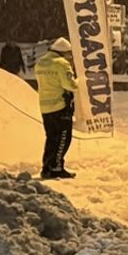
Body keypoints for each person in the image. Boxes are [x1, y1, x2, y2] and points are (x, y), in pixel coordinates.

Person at [35, 38, 77, 179]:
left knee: (51, 138)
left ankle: (47, 167)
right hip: (60, 106)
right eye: (69, 54)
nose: (70, 57)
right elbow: (70, 85)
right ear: (63, 52)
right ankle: (56, 168)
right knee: (63, 139)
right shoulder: (62, 64)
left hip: (45, 106)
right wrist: (80, 81)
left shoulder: (41, 63)